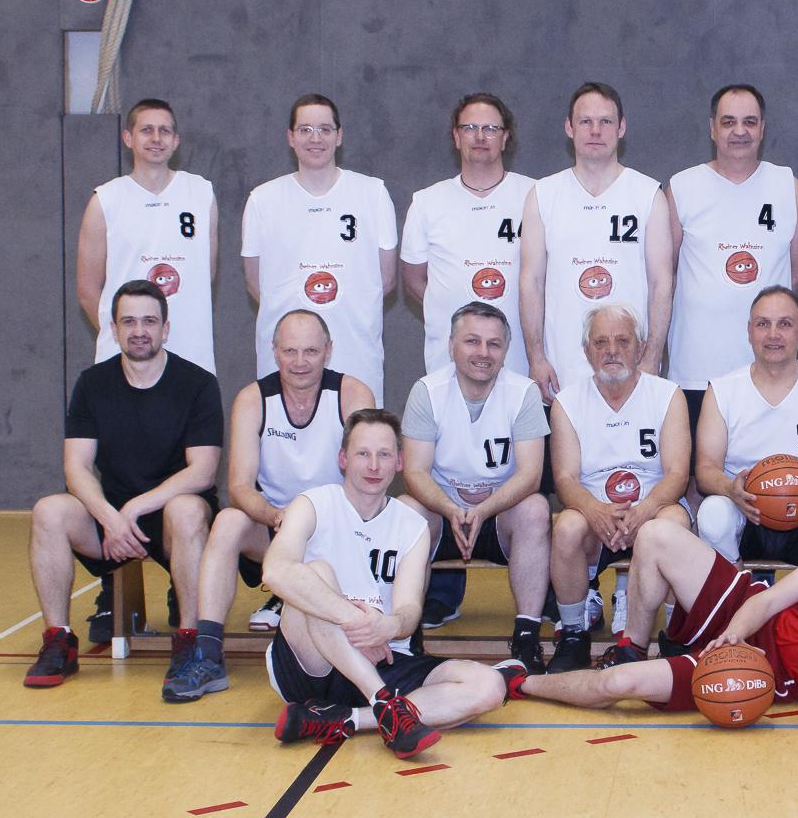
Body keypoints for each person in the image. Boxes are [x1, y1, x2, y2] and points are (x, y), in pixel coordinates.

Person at [504, 486, 798, 715]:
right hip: (749, 614)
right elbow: (772, 599)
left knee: (616, 687)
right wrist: (732, 634)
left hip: (768, 671)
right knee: (658, 533)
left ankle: (521, 683)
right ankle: (631, 645)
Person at [266, 409, 513, 760]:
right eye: (362, 454)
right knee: (315, 573)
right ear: (342, 459)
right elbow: (274, 571)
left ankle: (347, 720)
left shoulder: (411, 525)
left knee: (489, 686)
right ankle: (385, 704)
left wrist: (386, 626)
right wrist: (356, 625)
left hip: (385, 653)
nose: (373, 466)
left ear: (399, 462)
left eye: (384, 455)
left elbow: (409, 612)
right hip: (312, 662)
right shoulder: (313, 504)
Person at [166, 310, 372, 702]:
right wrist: (278, 517)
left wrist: (313, 521)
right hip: (274, 527)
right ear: (274, 352)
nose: (300, 361)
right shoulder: (253, 398)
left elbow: (366, 476)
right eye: (290, 350)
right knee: (227, 520)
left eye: (310, 351)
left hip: (338, 530)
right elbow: (240, 486)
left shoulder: (352, 394)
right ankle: (207, 654)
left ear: (328, 351)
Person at [24, 280, 222, 688]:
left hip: (171, 518)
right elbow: (75, 467)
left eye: (149, 321)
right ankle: (58, 641)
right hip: (113, 517)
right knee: (49, 510)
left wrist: (134, 509)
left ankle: (189, 642)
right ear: (113, 330)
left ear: (165, 328)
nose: (139, 330)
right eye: (128, 321)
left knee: (186, 509)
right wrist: (112, 518)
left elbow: (201, 471)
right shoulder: (92, 384)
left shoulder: (198, 384)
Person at [398, 302, 551, 669]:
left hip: (496, 516)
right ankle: (405, 637)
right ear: (451, 345)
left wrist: (483, 510)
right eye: (472, 341)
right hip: (444, 513)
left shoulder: (524, 393)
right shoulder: (427, 391)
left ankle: (527, 635)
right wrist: (452, 509)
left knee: (535, 508)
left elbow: (530, 475)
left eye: (494, 344)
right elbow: (415, 472)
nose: (483, 353)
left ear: (504, 350)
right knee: (406, 509)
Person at [546, 304, 693, 672]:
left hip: (651, 508)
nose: (611, 350)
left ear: (640, 348)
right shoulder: (566, 402)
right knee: (565, 526)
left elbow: (677, 473)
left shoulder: (667, 394)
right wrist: (595, 511)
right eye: (601, 342)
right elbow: (564, 478)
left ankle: (674, 635)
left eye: (622, 341)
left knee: (674, 521)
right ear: (586, 351)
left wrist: (643, 510)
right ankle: (574, 633)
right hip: (595, 512)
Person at [666, 84, 798, 435]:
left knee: (772, 472)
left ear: (762, 128)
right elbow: (662, 275)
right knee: (700, 480)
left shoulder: (787, 186)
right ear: (712, 128)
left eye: (749, 121)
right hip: (697, 366)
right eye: (728, 122)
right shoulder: (682, 188)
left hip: (770, 368)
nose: (739, 131)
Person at [520, 82, 673, 399]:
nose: (595, 130)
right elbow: (531, 282)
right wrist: (536, 358)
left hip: (631, 369)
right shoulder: (543, 195)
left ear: (621, 128)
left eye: (605, 121)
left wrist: (651, 357)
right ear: (569, 127)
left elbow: (662, 282)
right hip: (562, 368)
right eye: (585, 121)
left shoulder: (648, 195)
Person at [242, 93, 399, 402]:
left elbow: (387, 280)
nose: (316, 139)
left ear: (339, 136)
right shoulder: (263, 199)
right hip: (288, 363)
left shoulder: (373, 193)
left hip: (355, 353)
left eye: (325, 129)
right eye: (305, 129)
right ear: (290, 137)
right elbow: (254, 283)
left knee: (360, 445)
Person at [695, 286, 798, 566]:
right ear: (750, 331)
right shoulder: (722, 389)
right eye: (763, 324)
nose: (773, 334)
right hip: (745, 507)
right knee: (713, 513)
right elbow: (705, 470)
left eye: (784, 324)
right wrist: (730, 489)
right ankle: (732, 597)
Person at [75, 98, 217, 373]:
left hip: (190, 349)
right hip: (125, 357)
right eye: (146, 130)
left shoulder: (201, 193)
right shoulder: (105, 200)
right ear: (128, 138)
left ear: (176, 140)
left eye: (164, 131)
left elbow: (205, 274)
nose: (156, 138)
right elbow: (87, 290)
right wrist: (131, 334)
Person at [401, 92, 536, 377]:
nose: (480, 136)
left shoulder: (535, 196)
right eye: (470, 128)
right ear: (456, 136)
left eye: (490, 129)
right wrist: (448, 304)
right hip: (447, 363)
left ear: (505, 137)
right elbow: (414, 280)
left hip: (521, 359)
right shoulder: (427, 202)